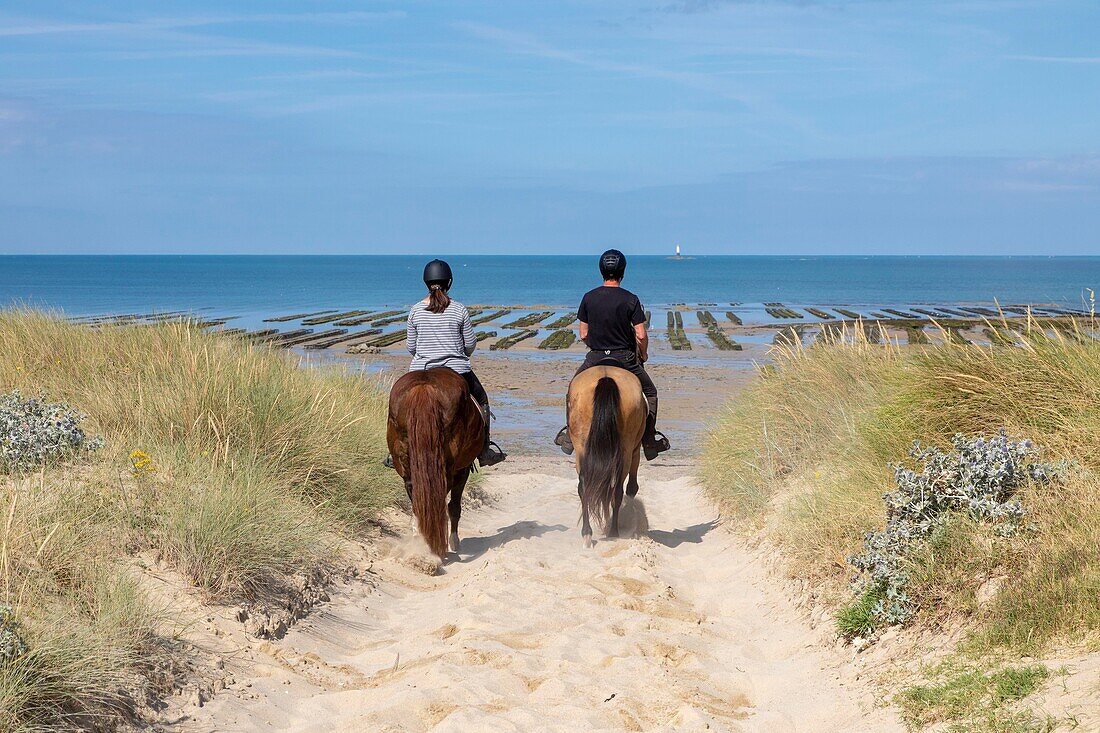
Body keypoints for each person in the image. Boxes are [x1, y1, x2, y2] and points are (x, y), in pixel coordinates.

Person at [387, 259, 506, 468]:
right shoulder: (459, 309)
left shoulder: (415, 310)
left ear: (426, 283)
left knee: (396, 406)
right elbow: (470, 344)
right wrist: (459, 352)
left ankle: (394, 451)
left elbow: (411, 347)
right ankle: (484, 449)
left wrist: (426, 354)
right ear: (449, 282)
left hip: (420, 369)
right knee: (482, 398)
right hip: (457, 370)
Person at [554, 249, 670, 460]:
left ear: (601, 271)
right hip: (625, 359)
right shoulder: (631, 299)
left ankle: (570, 436)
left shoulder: (589, 297)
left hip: (595, 357)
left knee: (572, 390)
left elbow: (582, 334)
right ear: (622, 272)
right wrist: (643, 353)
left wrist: (596, 345)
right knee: (650, 392)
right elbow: (641, 335)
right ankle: (649, 440)